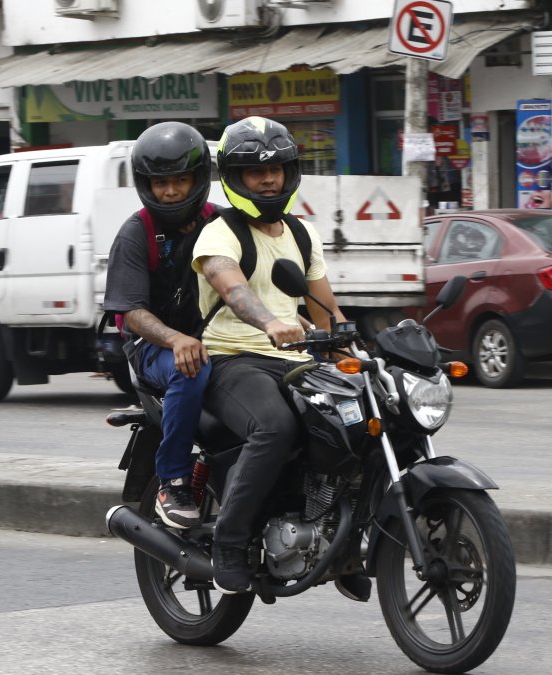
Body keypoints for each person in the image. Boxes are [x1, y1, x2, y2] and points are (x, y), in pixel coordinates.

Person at [191, 116, 348, 594]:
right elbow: (233, 289)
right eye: (255, 171)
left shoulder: (302, 235)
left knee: (356, 422)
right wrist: (270, 323)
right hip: (232, 360)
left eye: (276, 169)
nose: (268, 179)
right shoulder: (218, 234)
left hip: (296, 361)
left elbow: (325, 311)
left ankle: (343, 542)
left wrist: (357, 349)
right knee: (275, 426)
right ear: (234, 178)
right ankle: (229, 543)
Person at [104, 122, 217, 530]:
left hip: (214, 337)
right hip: (152, 346)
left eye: (180, 181)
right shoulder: (136, 233)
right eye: (160, 183)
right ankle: (174, 480)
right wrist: (176, 339)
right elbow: (131, 312)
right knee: (192, 366)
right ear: (145, 184)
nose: (170, 192)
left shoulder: (220, 224)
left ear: (197, 180)